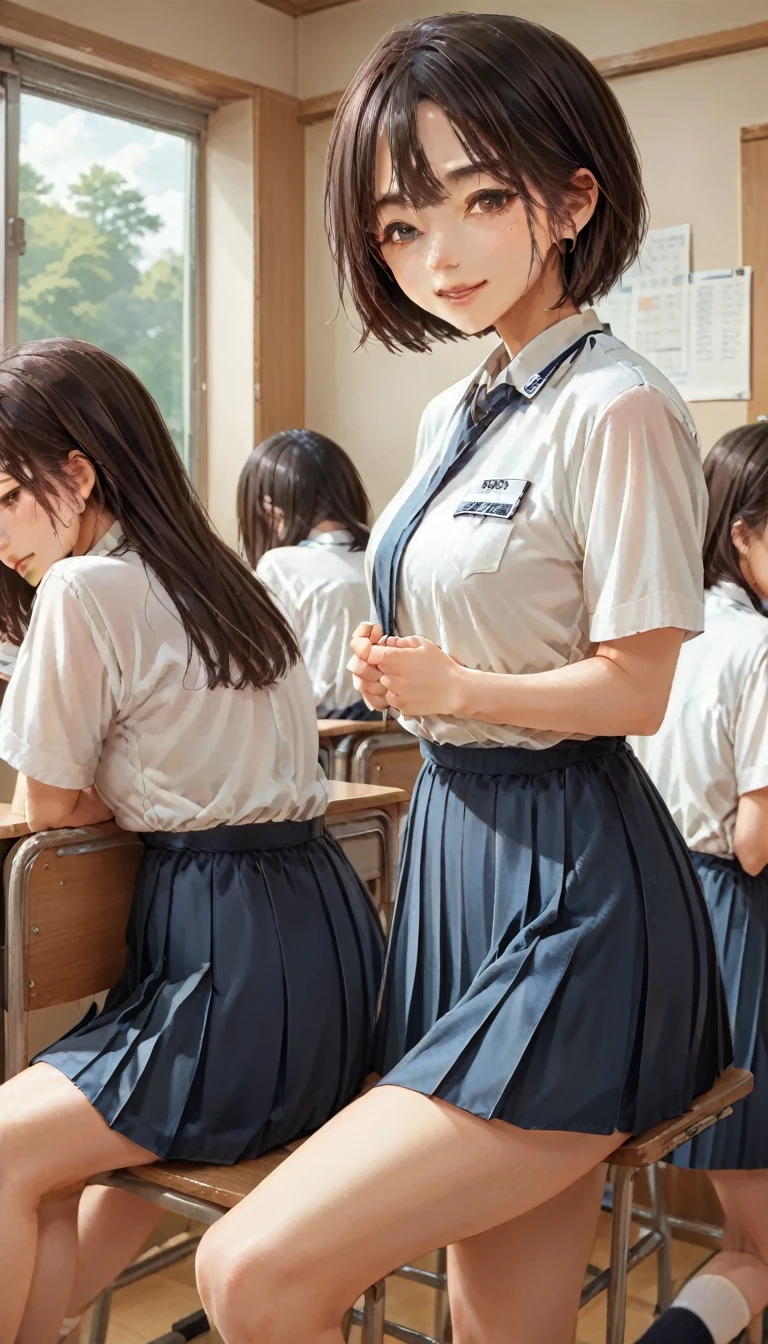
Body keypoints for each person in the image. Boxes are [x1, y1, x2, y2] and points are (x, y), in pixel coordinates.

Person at [194, 15, 729, 1344]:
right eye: (400, 226)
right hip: (453, 860)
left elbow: (634, 692)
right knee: (504, 1320)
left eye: (483, 198)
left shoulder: (619, 406)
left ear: (570, 197)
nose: (441, 255)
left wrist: (458, 686)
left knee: (251, 1273)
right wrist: (412, 679)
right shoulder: (452, 415)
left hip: (578, 888)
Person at [0, 338, 384, 1344]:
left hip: (224, 979)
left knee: (7, 1154)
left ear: (78, 473)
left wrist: (113, 801)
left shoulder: (84, 590)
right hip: (332, 975)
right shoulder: (230, 579)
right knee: (46, 1191)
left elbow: (50, 805)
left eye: (4, 497)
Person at [632, 425, 768, 1344]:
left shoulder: (665, 632)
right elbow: (757, 844)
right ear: (745, 533)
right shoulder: (758, 649)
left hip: (659, 915)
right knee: (758, 1246)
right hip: (738, 923)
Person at [237, 429, 379, 720]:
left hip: (315, 740)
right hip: (390, 742)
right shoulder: (386, 555)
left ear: (270, 509)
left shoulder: (280, 565)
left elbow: (256, 676)